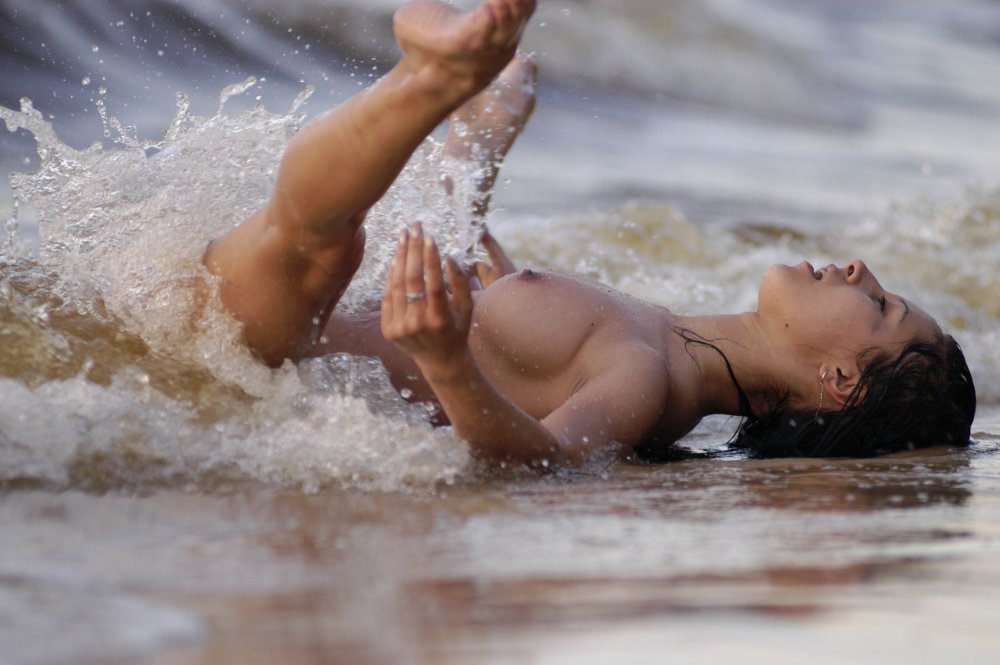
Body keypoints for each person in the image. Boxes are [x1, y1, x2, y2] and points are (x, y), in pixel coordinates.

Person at [204, 0, 976, 467]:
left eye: (880, 306)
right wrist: (477, 159)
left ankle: (432, 78)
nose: (859, 268)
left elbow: (544, 461)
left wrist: (446, 361)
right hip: (264, 328)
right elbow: (500, 335)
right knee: (323, 245)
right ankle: (445, 93)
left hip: (263, 346)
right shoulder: (666, 340)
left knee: (321, 244)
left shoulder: (647, 377)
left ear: (839, 381)